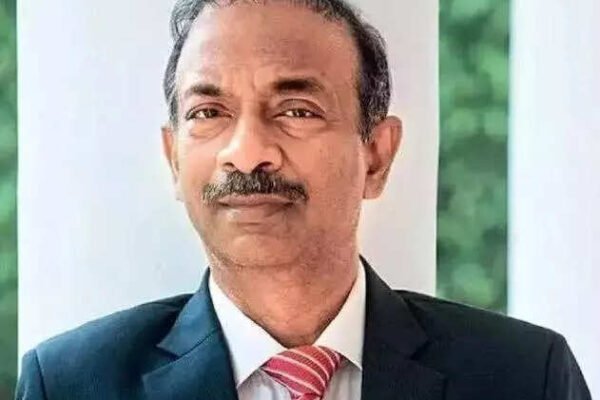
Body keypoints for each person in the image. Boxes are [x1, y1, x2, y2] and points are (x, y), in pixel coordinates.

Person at [16, 0, 591, 399]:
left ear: (377, 156)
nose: (247, 153)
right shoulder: (70, 383)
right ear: (173, 159)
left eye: (296, 110)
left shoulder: (522, 377)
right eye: (208, 113)